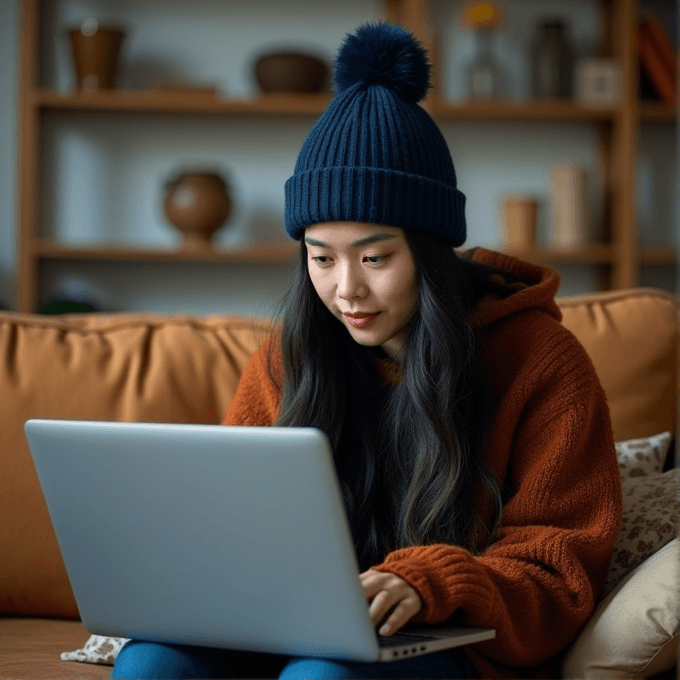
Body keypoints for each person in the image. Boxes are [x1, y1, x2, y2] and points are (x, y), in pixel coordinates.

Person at [112, 22, 622, 680]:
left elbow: (560, 573)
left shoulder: (541, 362)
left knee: (322, 677)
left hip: (450, 638)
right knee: (151, 663)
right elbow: (236, 534)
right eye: (321, 258)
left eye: (375, 257)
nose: (345, 289)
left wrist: (431, 582)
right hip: (298, 627)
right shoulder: (287, 361)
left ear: (430, 251)